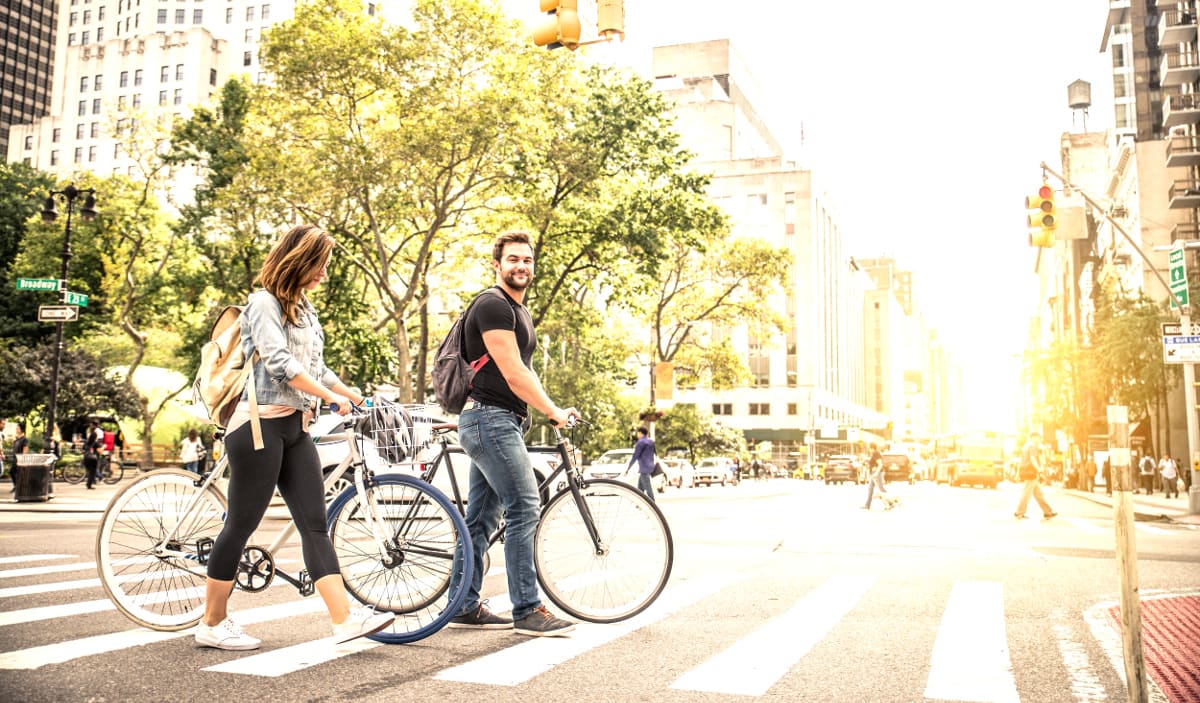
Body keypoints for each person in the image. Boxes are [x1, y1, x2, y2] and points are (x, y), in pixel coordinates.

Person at [196, 224, 393, 651]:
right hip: (258, 427)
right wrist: (327, 397)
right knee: (241, 524)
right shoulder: (262, 303)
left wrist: (349, 393)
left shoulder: (304, 310)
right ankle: (212, 622)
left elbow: (316, 367)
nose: (324, 272)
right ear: (300, 260)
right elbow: (280, 361)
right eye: (320, 264)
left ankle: (343, 620)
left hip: (296, 428)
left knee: (314, 524)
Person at [447, 231, 579, 637]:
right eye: (513, 260)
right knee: (524, 506)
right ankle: (527, 609)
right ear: (497, 264)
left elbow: (527, 371)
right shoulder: (493, 305)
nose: (521, 266)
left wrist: (553, 407)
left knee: (482, 519)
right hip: (489, 419)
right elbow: (512, 371)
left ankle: (463, 603)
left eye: (527, 260)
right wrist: (550, 411)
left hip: (498, 420)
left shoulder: (518, 312)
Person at [1014, 437, 1056, 519]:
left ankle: (1048, 512)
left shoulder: (1025, 447)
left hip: (1028, 472)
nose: (1040, 440)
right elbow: (1033, 459)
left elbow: (1021, 461)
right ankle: (1019, 512)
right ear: (1034, 438)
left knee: (1038, 494)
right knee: (1026, 493)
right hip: (1031, 473)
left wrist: (1018, 473)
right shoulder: (1032, 447)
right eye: (1039, 438)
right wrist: (1039, 470)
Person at [625, 426, 657, 502]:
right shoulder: (651, 441)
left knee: (647, 487)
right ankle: (639, 502)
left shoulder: (640, 442)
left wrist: (628, 468)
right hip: (650, 466)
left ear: (640, 433)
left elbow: (635, 456)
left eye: (638, 433)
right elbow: (655, 453)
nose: (637, 435)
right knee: (640, 487)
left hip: (644, 467)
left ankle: (653, 503)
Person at [862, 443, 896, 510]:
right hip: (874, 474)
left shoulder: (876, 453)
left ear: (871, 448)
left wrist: (876, 473)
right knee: (870, 489)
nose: (868, 449)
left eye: (869, 448)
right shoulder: (874, 454)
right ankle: (867, 505)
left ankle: (891, 503)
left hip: (876, 474)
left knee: (881, 489)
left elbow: (880, 464)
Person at [82, 420, 103, 489]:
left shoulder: (87, 443)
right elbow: (99, 449)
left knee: (89, 471)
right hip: (93, 458)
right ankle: (93, 482)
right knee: (93, 471)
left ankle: (90, 483)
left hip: (86, 457)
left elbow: (83, 449)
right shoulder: (95, 443)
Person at [10, 423, 28, 492]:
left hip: (19, 459)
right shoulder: (17, 439)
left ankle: (18, 486)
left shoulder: (24, 439)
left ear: (21, 429)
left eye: (18, 428)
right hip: (15, 458)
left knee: (13, 471)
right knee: (13, 472)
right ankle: (16, 486)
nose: (16, 430)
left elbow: (25, 449)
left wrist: (22, 459)